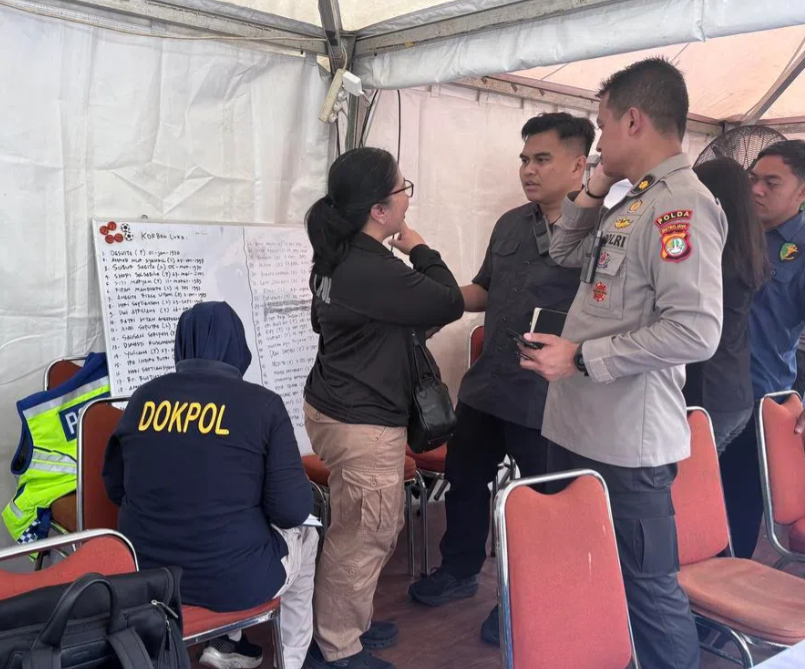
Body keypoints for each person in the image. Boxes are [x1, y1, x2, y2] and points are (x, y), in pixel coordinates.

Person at [520, 58, 726, 669]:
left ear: (634, 119)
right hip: (578, 425)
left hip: (625, 444)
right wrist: (589, 187)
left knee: (646, 589)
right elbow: (562, 249)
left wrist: (582, 357)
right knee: (583, 571)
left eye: (604, 127)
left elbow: (696, 330)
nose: (599, 142)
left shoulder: (681, 207)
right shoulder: (631, 200)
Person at [407, 112, 595, 646]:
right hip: (489, 386)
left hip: (547, 397)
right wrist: (431, 300)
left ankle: (527, 596)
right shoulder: (512, 223)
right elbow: (484, 289)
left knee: (543, 502)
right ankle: (460, 571)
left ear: (579, 164)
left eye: (541, 159)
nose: (528, 170)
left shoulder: (600, 232)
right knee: (466, 483)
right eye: (524, 159)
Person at [302, 147, 464, 669]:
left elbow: (334, 322)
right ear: (379, 209)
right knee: (365, 533)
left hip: (334, 405)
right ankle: (336, 649)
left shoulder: (336, 255)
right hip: (361, 419)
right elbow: (448, 300)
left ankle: (344, 622)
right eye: (402, 190)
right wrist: (419, 248)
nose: (406, 200)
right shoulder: (372, 267)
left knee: (362, 525)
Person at [103, 301, 318, 669]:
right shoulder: (263, 405)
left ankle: (228, 642)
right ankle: (293, 660)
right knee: (306, 536)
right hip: (234, 582)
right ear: (238, 346)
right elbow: (292, 509)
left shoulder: (142, 399)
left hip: (149, 577)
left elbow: (116, 489)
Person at [718, 140, 805, 559]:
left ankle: (718, 607)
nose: (756, 190)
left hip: (758, 399)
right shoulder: (726, 231)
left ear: (802, 192)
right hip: (704, 392)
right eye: (752, 179)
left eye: (772, 182)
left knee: (736, 504)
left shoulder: (801, 250)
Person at [683, 158, 769, 453]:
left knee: (684, 493)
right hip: (735, 394)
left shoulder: (712, 255)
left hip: (705, 397)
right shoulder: (749, 246)